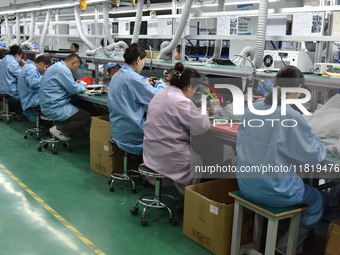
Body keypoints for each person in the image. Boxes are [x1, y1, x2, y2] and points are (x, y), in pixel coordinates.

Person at [236, 66, 325, 255]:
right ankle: (286, 247)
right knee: (317, 199)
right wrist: (315, 138)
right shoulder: (292, 117)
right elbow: (314, 157)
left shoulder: (254, 108)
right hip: (274, 190)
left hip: (245, 184)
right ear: (299, 87)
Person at [143, 62, 210, 194]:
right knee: (198, 162)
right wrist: (203, 113)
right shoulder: (182, 101)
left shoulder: (160, 94)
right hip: (169, 158)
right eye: (195, 89)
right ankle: (191, 199)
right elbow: (201, 127)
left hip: (152, 154)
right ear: (189, 87)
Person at [108, 43, 166, 155]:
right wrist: (160, 83)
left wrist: (144, 82)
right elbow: (158, 97)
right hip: (133, 133)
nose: (143, 65)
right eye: (144, 62)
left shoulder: (118, 75)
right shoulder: (134, 79)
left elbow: (133, 86)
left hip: (118, 130)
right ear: (138, 60)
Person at [39, 53, 91, 141]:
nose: (76, 70)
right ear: (73, 62)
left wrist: (74, 84)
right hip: (54, 106)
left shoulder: (57, 66)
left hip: (48, 103)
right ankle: (59, 129)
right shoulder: (63, 70)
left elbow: (65, 84)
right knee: (86, 117)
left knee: (82, 105)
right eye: (77, 67)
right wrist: (83, 84)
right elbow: (73, 90)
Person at [18, 54, 51, 122]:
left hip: (28, 96)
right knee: (56, 98)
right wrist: (46, 77)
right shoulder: (31, 68)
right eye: (45, 68)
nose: (44, 70)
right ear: (42, 64)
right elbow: (33, 83)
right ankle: (54, 124)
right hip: (31, 99)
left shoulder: (29, 66)